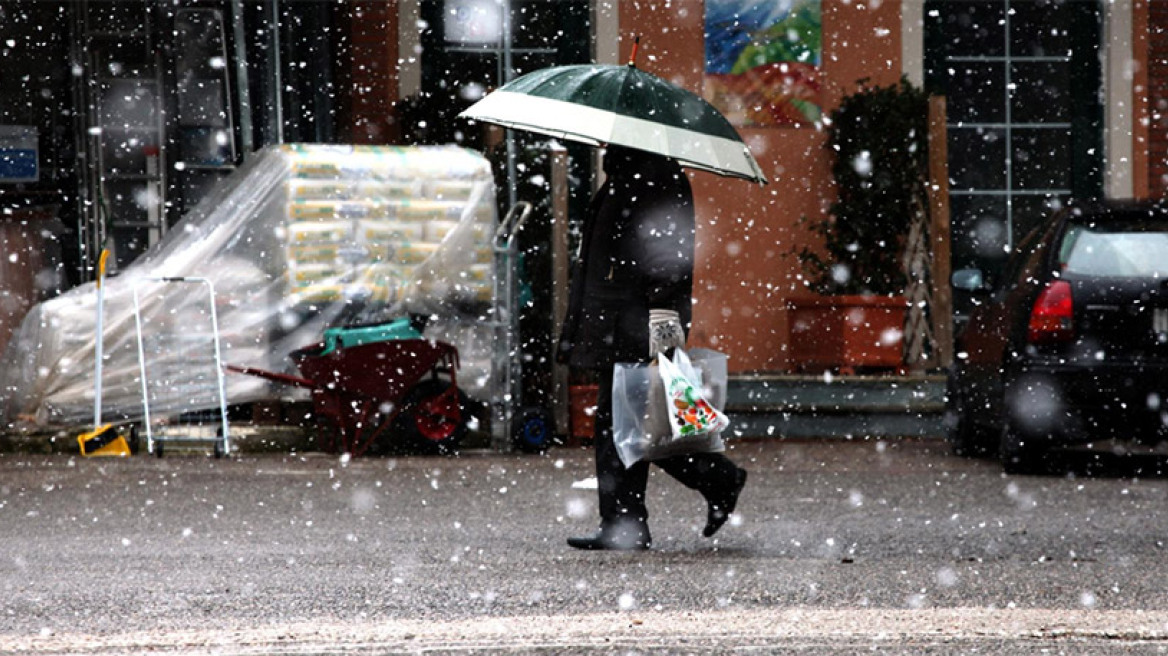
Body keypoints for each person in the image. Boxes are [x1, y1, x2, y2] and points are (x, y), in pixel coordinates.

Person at [557, 145, 748, 551]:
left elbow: (667, 250)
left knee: (636, 423)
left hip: (638, 318)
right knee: (624, 423)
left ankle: (711, 482)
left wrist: (661, 311)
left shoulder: (654, 176)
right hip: (620, 315)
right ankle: (626, 523)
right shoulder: (628, 172)